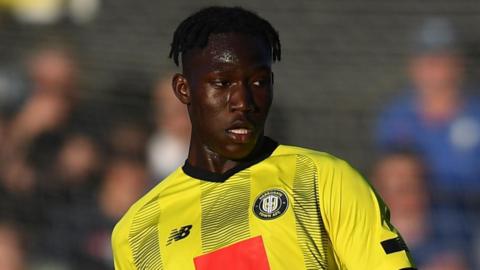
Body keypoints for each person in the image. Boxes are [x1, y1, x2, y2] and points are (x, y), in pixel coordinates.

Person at [112, 6, 415, 269]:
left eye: (258, 82)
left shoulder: (323, 180)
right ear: (184, 90)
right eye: (222, 82)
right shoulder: (137, 232)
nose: (243, 101)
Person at [375, 17, 480, 205]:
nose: (433, 67)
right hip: (414, 221)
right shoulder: (394, 117)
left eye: (441, 59)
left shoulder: (475, 115)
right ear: (413, 65)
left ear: (459, 64)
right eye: (426, 59)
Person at [371, 151, 472, 269]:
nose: (394, 198)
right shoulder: (360, 243)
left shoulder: (455, 235)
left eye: (406, 188)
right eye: (386, 188)